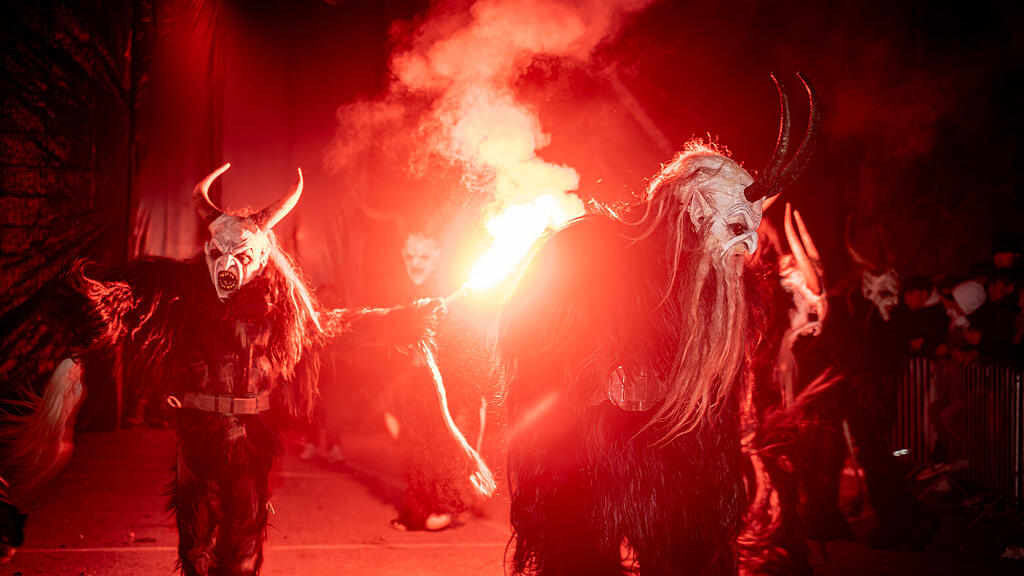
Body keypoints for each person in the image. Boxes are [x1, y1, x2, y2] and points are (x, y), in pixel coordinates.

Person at [5, 164, 445, 576]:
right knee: (195, 543)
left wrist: (405, 319)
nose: (227, 265)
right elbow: (131, 295)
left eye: (241, 254)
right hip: (198, 432)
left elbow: (331, 327)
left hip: (252, 438)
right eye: (218, 252)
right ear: (207, 250)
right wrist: (93, 301)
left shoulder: (283, 308)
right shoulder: (183, 290)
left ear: (262, 257)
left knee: (244, 543)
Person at [499, 75, 818, 575]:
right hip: (585, 455)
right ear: (691, 202)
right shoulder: (587, 248)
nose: (751, 244)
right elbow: (523, 333)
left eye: (753, 225)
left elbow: (731, 382)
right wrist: (593, 370)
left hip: (681, 459)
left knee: (686, 554)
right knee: (581, 556)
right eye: (736, 222)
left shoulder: (732, 288)